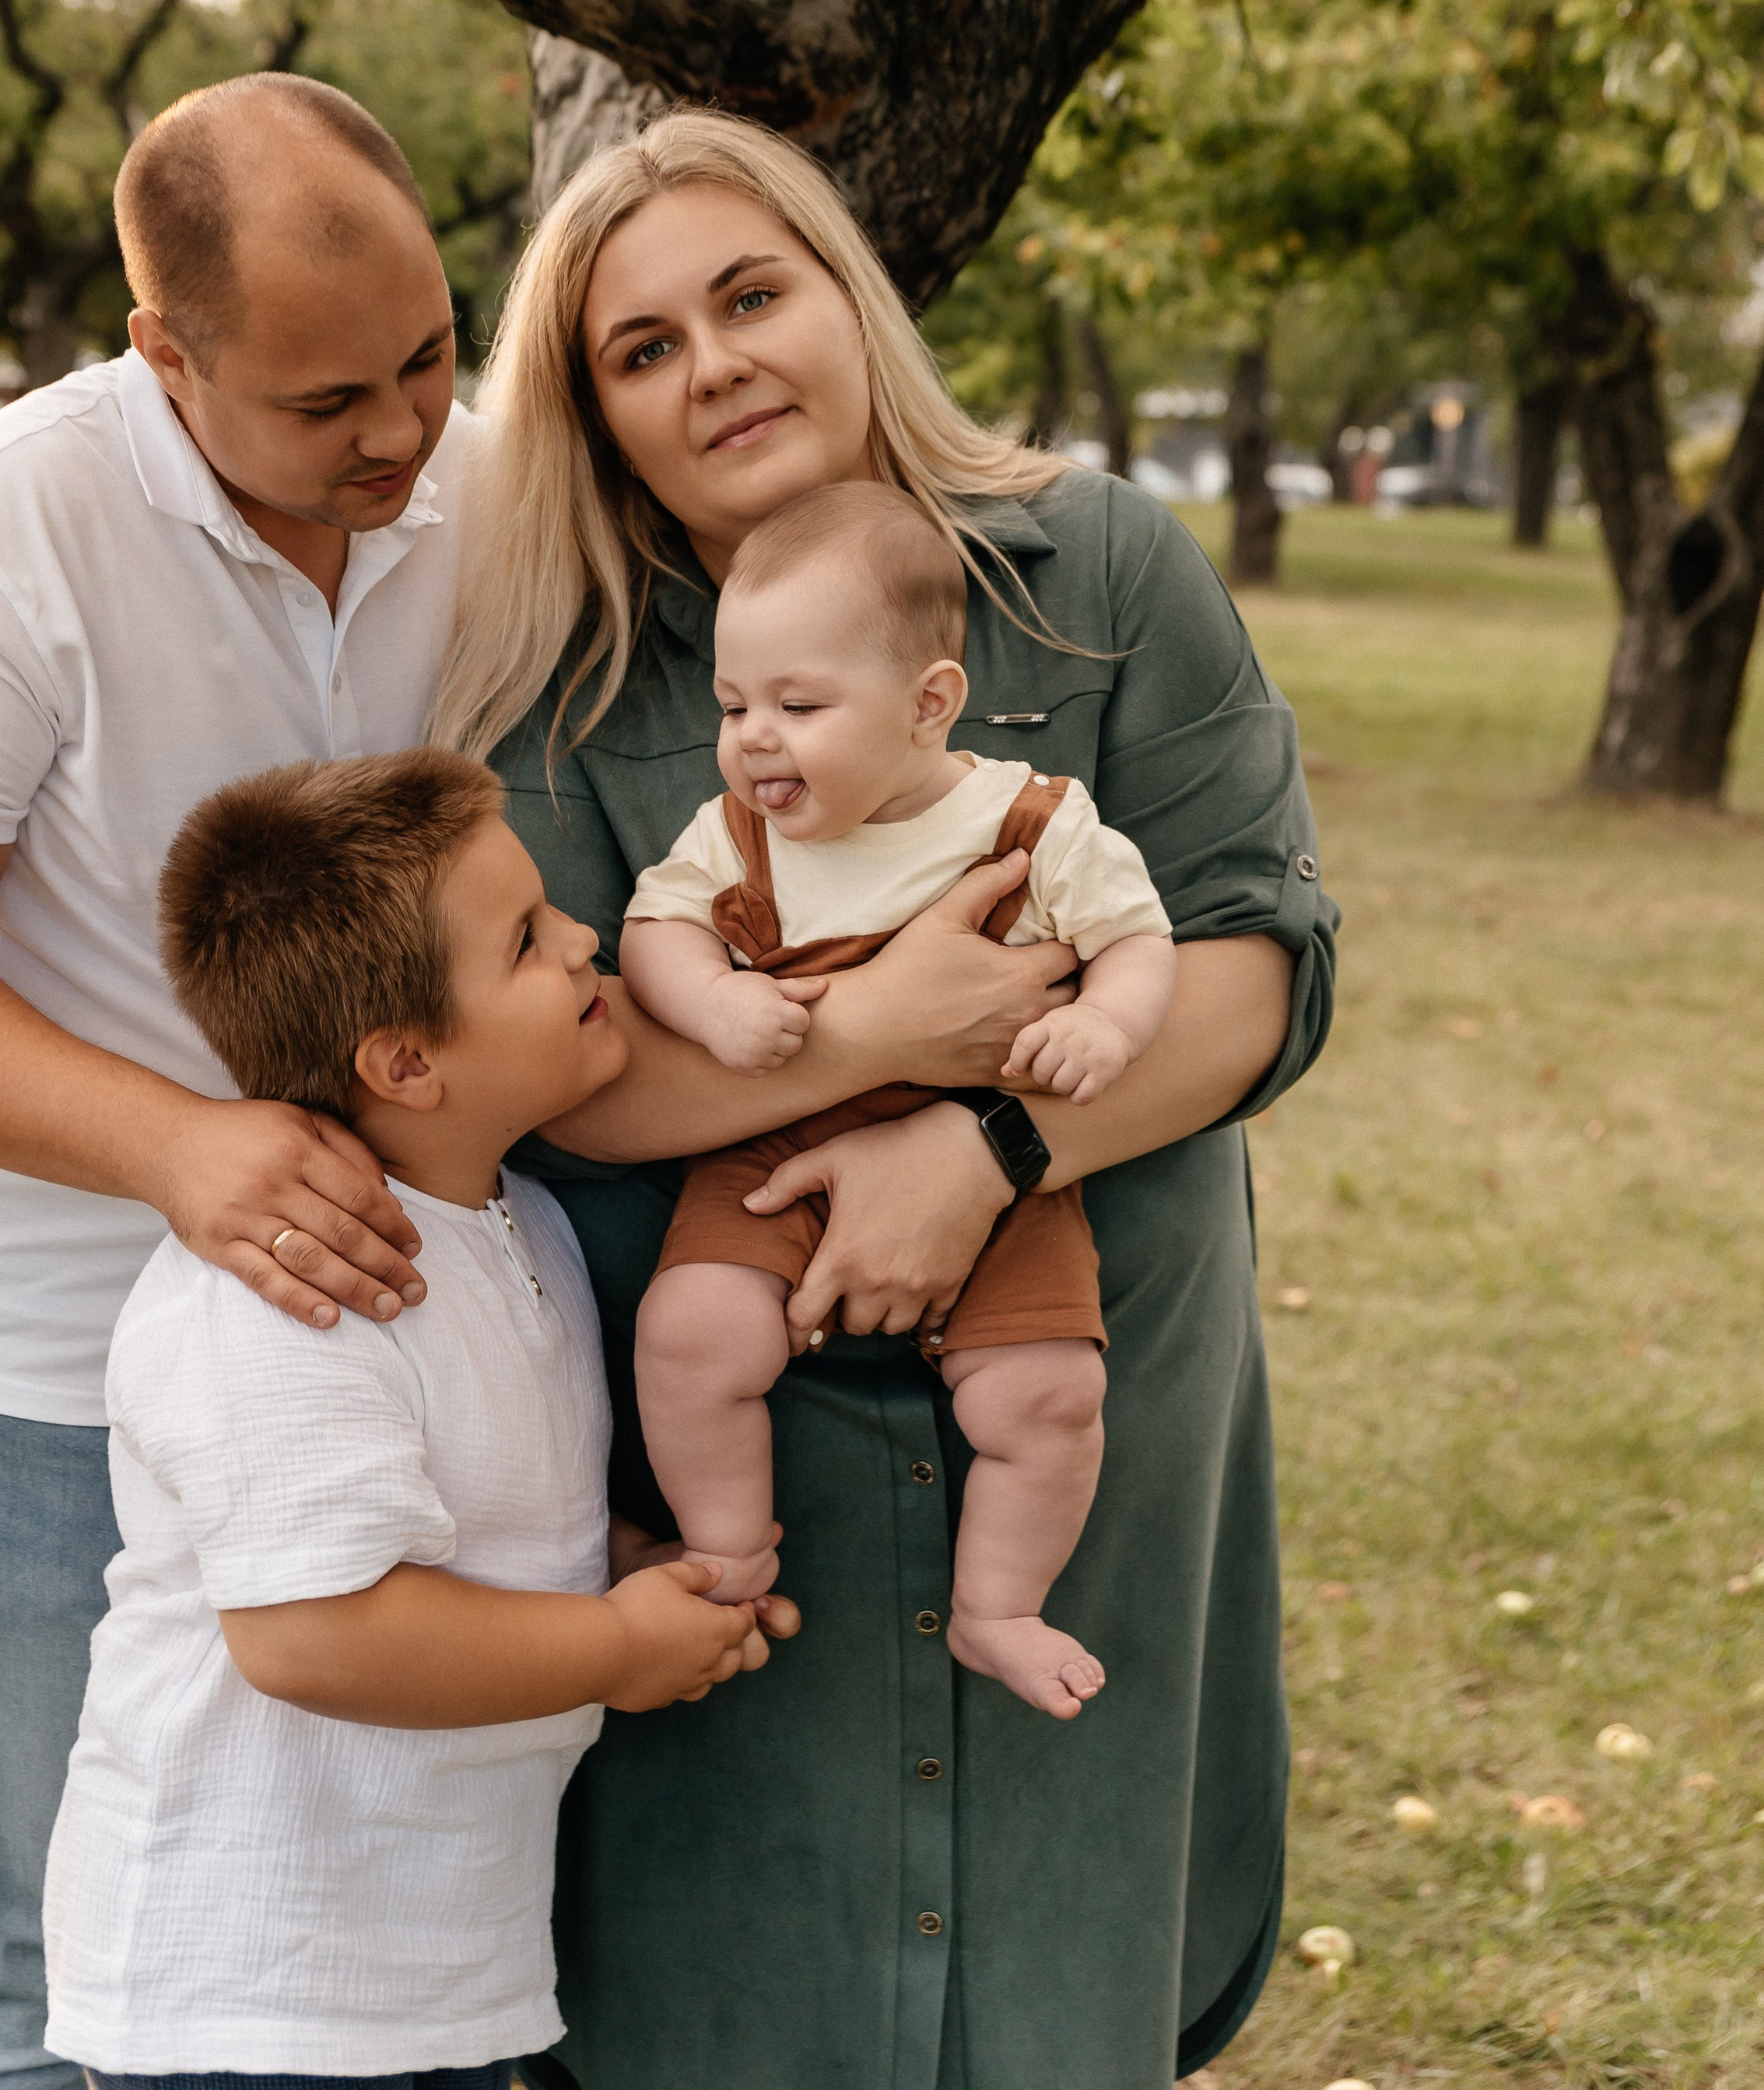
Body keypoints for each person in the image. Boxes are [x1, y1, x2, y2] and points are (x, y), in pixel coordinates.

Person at [430, 108, 1340, 2090]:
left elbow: (1261, 971)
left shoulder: (1093, 567)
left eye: (748, 294)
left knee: (1053, 1985)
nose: (715, 363)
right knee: (728, 2001)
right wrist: (873, 1042)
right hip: (737, 1452)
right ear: (592, 418)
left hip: (1080, 1372)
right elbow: (565, 1082)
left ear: (848, 293)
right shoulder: (555, 678)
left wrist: (986, 1146)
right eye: (640, 348)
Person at [0, 74, 488, 2090]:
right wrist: (180, 1145)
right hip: (37, 1370)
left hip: (377, 1347)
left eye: (429, 359)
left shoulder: (477, 469)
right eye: (325, 400)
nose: (401, 434)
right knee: (60, 1943)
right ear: (162, 353)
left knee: (354, 1937)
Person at [46, 746, 769, 2090]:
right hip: (251, 1990)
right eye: (527, 941)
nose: (583, 939)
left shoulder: (519, 1222)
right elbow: (315, 1633)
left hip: (421, 1965)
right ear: (406, 1061)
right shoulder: (289, 1296)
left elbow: (484, 1505)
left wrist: (621, 1564)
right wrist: (611, 1645)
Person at [620, 479, 1175, 1719]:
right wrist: (713, 1002)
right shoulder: (737, 839)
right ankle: (731, 1547)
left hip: (992, 1146)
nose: (754, 737)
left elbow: (1141, 941)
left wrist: (1102, 1019)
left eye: (798, 705)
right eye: (733, 705)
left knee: (1047, 1394)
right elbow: (654, 928)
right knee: (691, 1333)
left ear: (931, 705)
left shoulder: (1035, 823)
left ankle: (998, 1609)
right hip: (780, 1142)